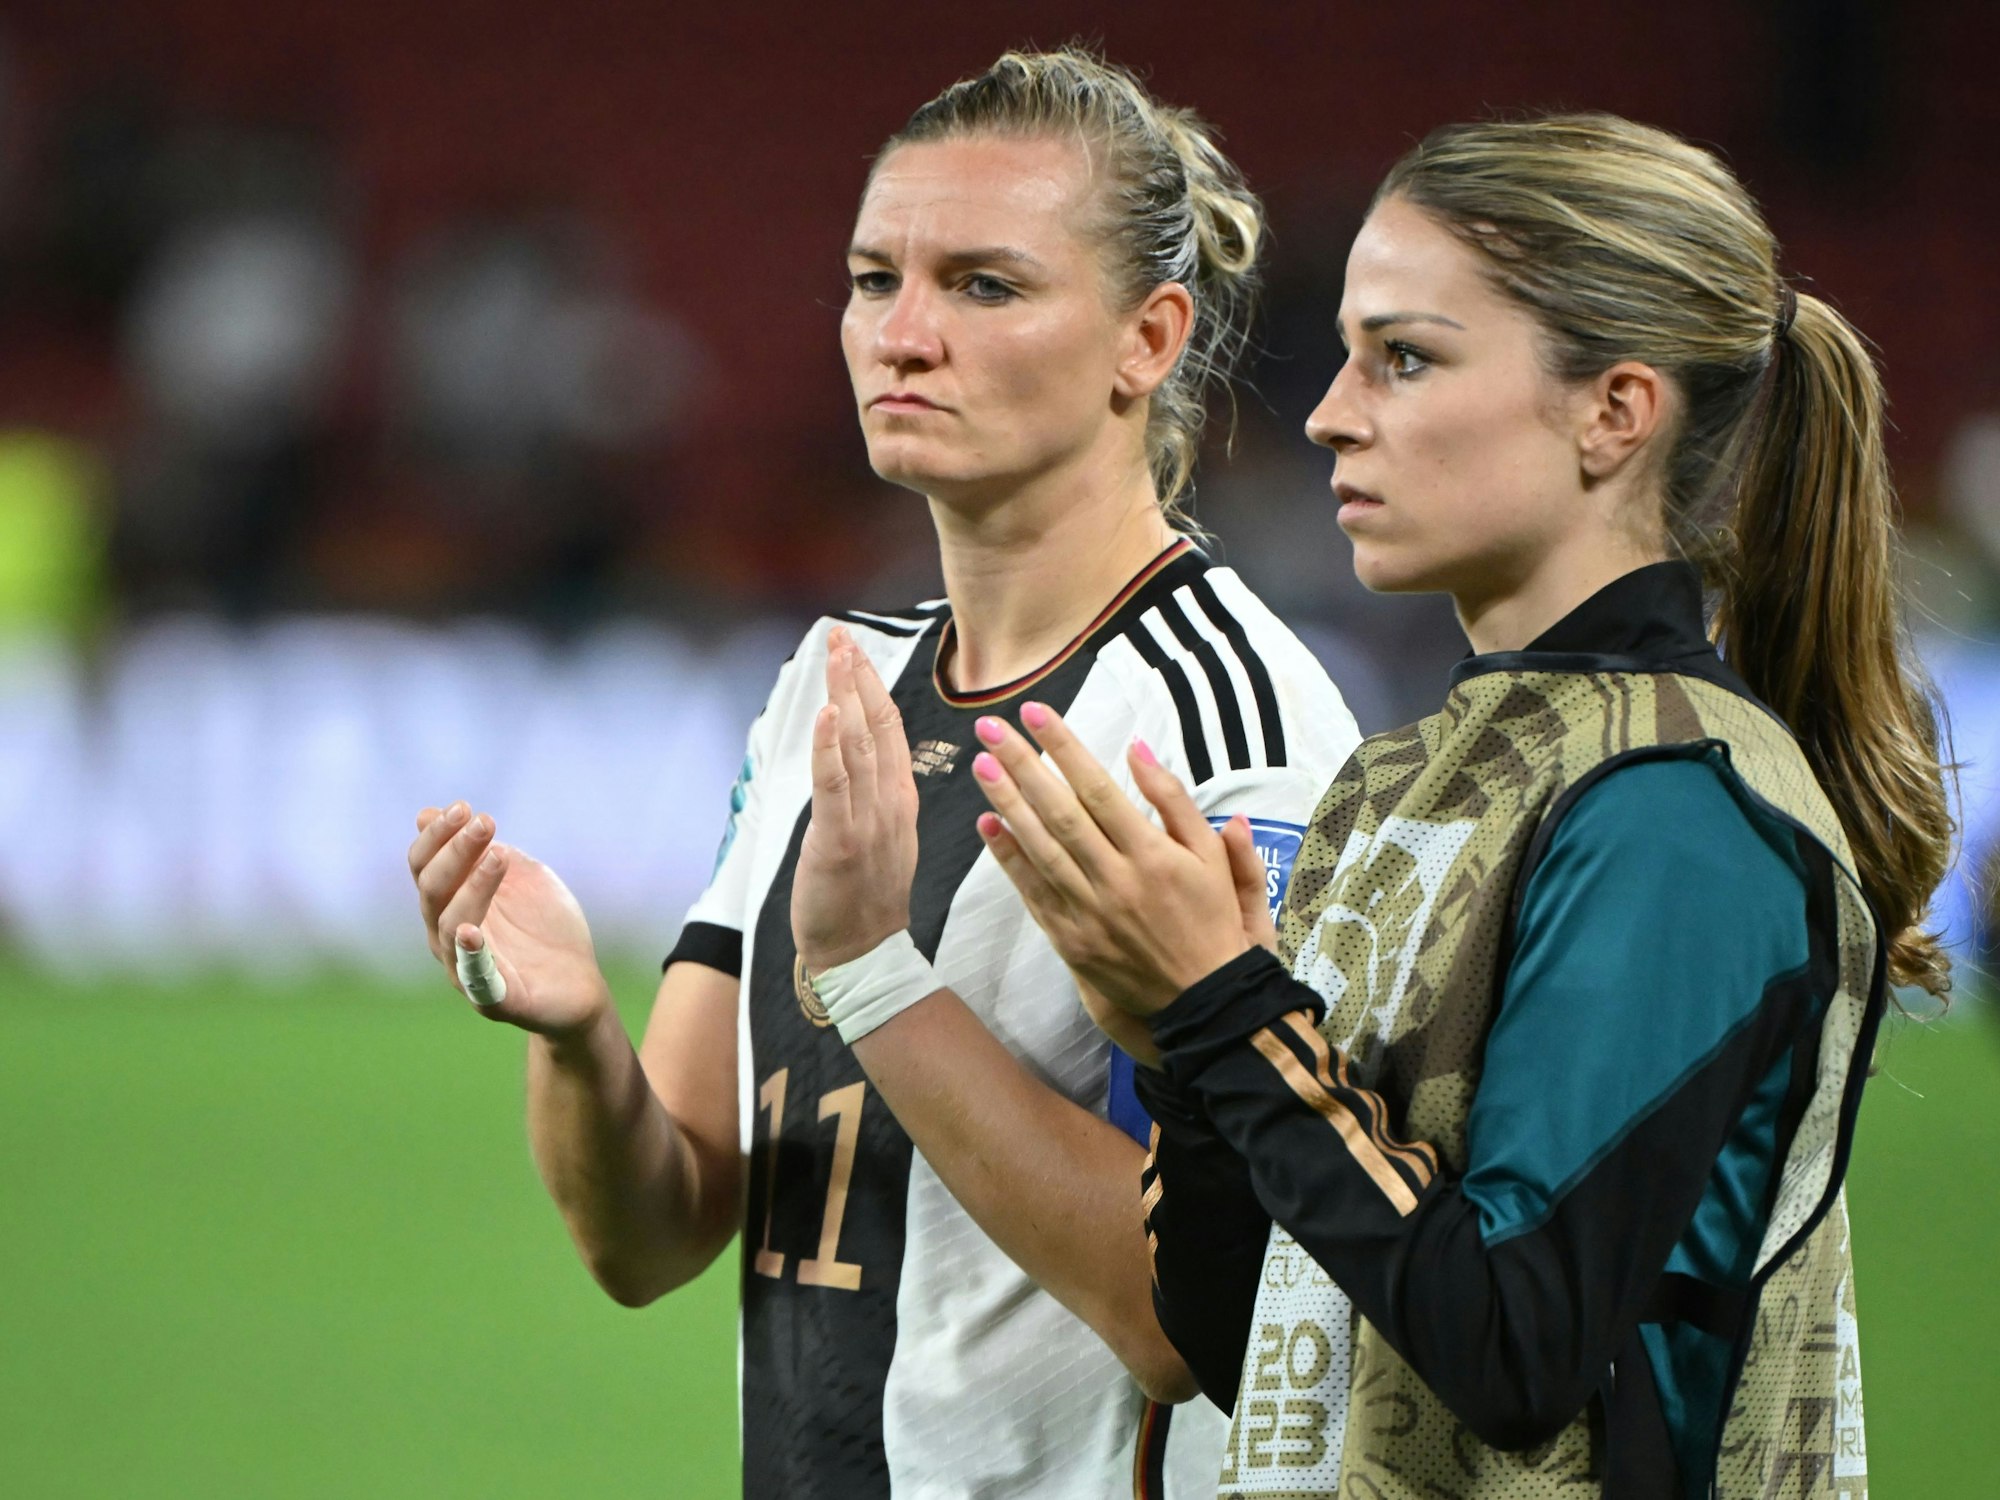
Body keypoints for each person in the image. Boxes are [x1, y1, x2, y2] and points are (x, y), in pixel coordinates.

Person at [405, 49, 1362, 1500]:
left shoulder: (1229, 726)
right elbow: (652, 1232)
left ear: (1147, 339)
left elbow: (1192, 1309)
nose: (903, 334)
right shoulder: (831, 682)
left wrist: (869, 972)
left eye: (985, 285)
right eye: (872, 279)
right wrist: (578, 1037)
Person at [955, 114, 1954, 1498]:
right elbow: (1263, 1350)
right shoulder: (1399, 779)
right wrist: (1186, 1047)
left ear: (1614, 411)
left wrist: (1232, 1014)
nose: (1330, 412)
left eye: (1407, 358)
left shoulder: (1676, 810)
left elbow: (1513, 1352)